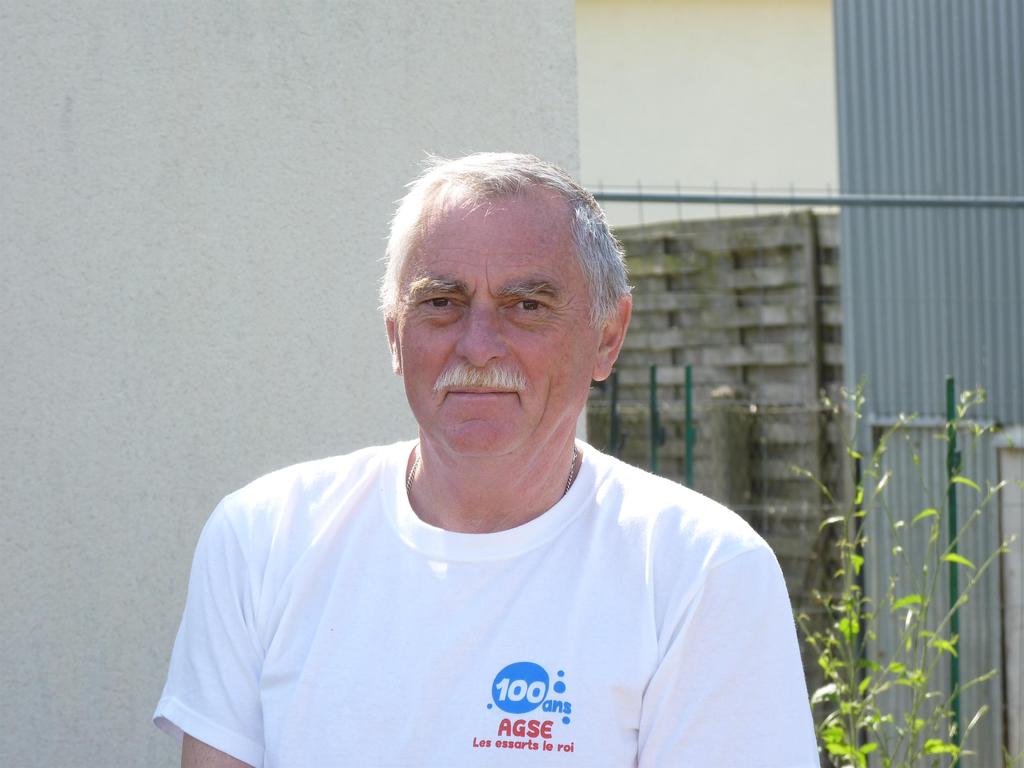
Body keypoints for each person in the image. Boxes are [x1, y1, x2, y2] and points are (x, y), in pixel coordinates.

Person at [154, 152, 819, 767]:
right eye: (441, 303)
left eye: (527, 305)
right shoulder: (263, 539)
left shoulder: (700, 571)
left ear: (607, 337)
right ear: (395, 335)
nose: (478, 346)